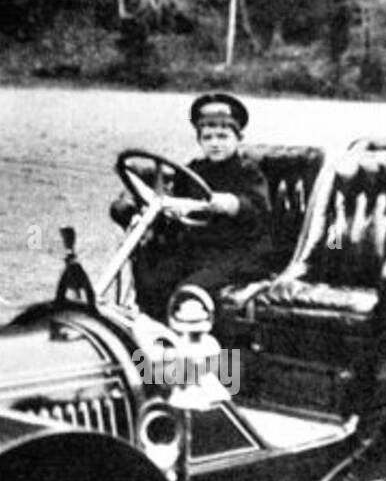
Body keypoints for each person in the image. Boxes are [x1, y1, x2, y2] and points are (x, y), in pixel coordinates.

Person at [117, 93, 276, 320]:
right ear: (199, 141)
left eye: (223, 136)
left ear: (238, 138)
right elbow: (175, 197)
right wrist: (172, 209)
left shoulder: (248, 171)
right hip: (200, 249)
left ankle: (201, 343)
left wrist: (231, 204)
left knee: (191, 289)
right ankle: (156, 337)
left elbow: (258, 209)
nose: (215, 143)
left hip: (240, 253)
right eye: (208, 137)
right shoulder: (194, 170)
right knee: (153, 280)